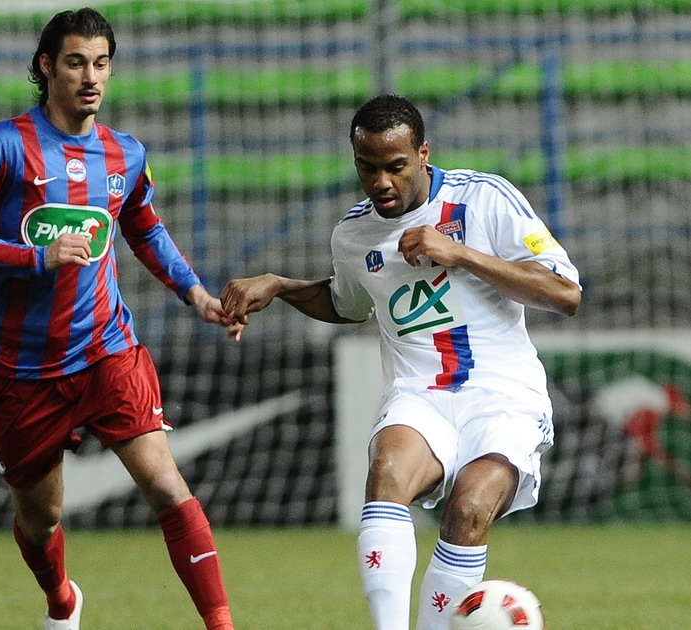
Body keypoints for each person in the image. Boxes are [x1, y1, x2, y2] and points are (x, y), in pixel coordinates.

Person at [220, 94, 582, 630]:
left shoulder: (485, 198)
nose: (382, 182)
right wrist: (280, 285)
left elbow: (565, 293)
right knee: (387, 469)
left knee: (469, 508)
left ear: (423, 154)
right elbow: (346, 305)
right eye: (367, 168)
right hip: (419, 393)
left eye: (395, 166)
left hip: (503, 396)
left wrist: (462, 254)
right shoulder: (354, 234)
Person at [0, 8, 237, 630]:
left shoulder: (125, 153)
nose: (91, 77)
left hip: (106, 350)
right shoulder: (3, 145)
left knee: (167, 486)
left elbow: (144, 228)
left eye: (101, 64)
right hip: (24, 368)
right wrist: (34, 257)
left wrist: (194, 293)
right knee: (41, 521)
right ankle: (61, 602)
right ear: (47, 67)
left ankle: (221, 623)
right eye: (76, 63)